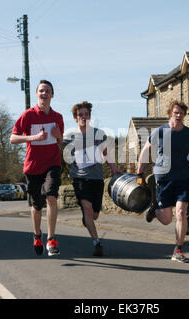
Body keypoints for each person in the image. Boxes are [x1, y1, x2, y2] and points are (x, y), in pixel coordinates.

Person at [136, 100, 189, 263]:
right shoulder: (159, 132)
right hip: (164, 178)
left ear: (184, 115)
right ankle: (155, 209)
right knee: (167, 219)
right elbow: (145, 150)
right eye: (176, 113)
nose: (178, 116)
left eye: (181, 113)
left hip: (184, 177)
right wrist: (140, 172)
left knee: (182, 212)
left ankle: (178, 249)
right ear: (170, 114)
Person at [10, 79, 64, 257]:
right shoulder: (28, 115)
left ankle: (51, 239)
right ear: (36, 94)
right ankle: (37, 235)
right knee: (37, 206)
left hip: (52, 164)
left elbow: (60, 142)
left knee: (51, 196)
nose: (44, 93)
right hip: (33, 167)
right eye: (41, 90)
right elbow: (13, 138)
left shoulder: (58, 117)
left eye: (47, 91)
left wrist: (59, 137)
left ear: (52, 95)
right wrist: (33, 138)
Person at [64, 101, 121, 257]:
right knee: (88, 209)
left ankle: (87, 218)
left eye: (86, 114)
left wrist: (114, 168)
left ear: (90, 116)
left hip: (97, 178)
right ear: (75, 117)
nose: (83, 117)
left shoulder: (99, 134)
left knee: (94, 214)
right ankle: (97, 242)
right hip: (79, 179)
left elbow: (105, 153)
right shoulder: (70, 137)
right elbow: (60, 152)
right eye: (80, 115)